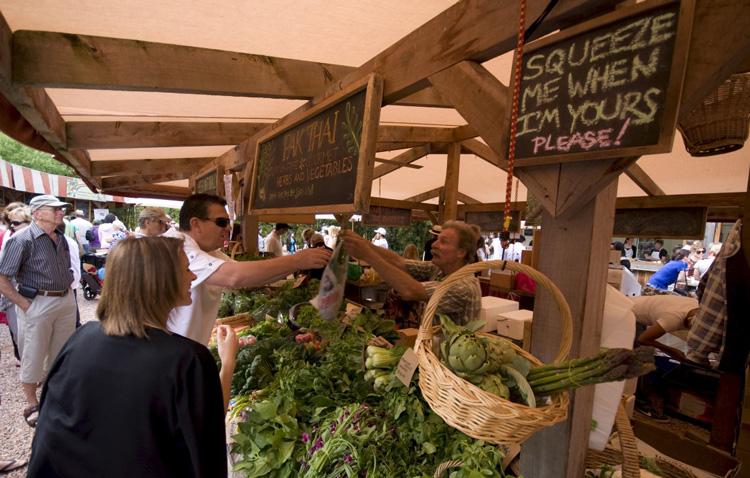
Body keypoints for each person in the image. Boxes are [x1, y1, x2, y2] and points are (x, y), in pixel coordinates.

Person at [27, 237, 238, 477]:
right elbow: (207, 434)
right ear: (159, 280)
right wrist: (228, 362)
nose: (192, 276)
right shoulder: (187, 359)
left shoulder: (81, 338)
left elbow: (54, 429)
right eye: (186, 269)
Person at [164, 194, 330, 345]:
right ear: (196, 224)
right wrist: (297, 260)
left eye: (228, 222)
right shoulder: (179, 248)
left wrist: (298, 263)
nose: (229, 228)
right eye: (221, 222)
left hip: (187, 349)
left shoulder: (207, 250)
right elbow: (234, 277)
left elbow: (244, 274)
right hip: (170, 352)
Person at [0, 195, 77, 428]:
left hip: (65, 299)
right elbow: (3, 278)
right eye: (54, 209)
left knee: (61, 353)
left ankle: (55, 398)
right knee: (33, 353)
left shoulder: (61, 237)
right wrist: (24, 305)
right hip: (38, 302)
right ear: (37, 213)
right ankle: (32, 404)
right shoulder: (22, 240)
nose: (60, 212)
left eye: (60, 209)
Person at [341, 220, 481, 325]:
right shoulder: (438, 269)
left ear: (461, 252)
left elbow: (410, 290)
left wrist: (367, 255)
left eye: (443, 241)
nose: (434, 244)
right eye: (437, 239)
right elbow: (399, 262)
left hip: (445, 363)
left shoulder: (463, 285)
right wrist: (364, 244)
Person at [0, 206, 32, 363]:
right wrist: (22, 303)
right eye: (10, 222)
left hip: (31, 298)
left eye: (16, 222)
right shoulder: (12, 240)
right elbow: (4, 277)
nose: (12, 225)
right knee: (21, 336)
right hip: (16, 298)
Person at [632, 295, 699, 361]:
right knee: (633, 353)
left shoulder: (696, 304)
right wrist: (672, 351)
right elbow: (642, 339)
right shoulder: (673, 319)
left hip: (635, 302)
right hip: (631, 312)